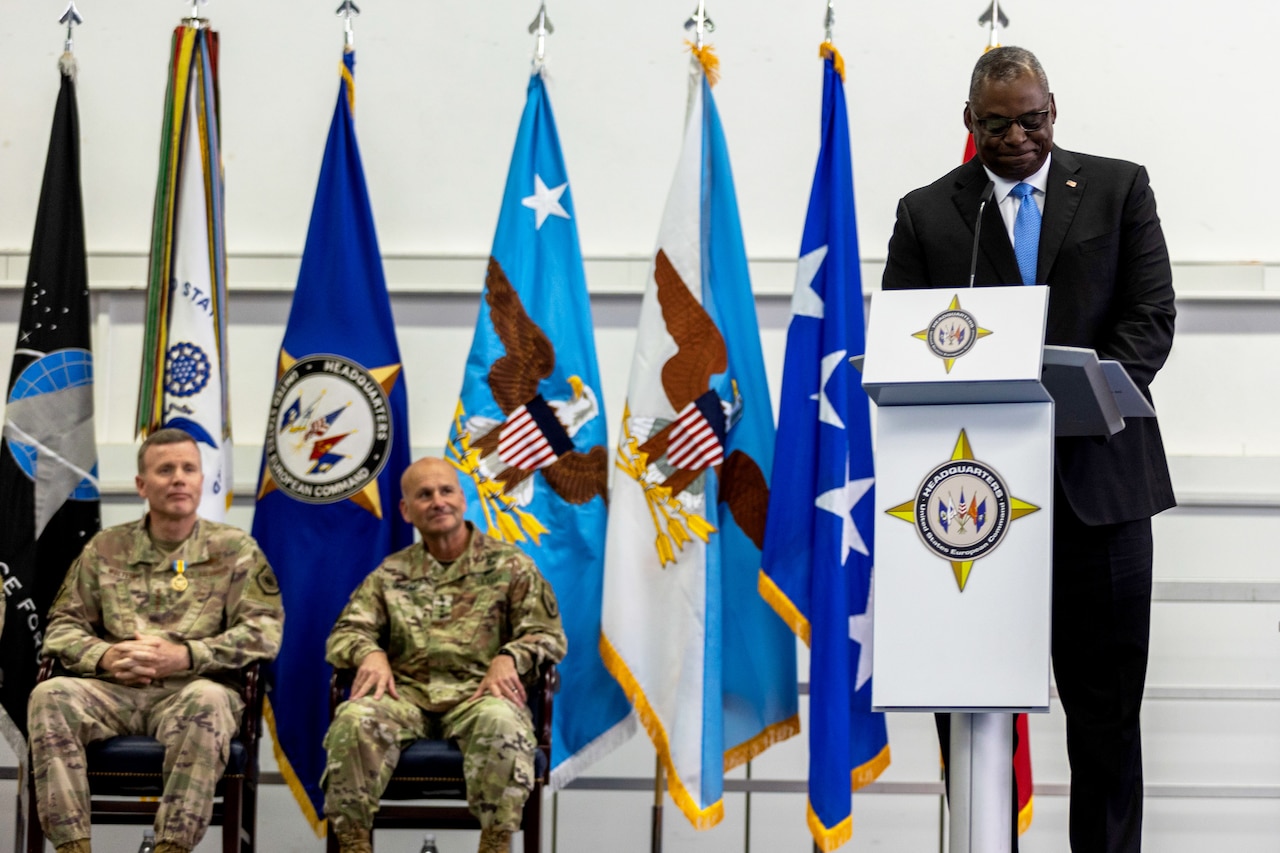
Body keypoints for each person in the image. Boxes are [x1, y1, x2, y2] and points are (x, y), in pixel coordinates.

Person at [882, 46, 1175, 853]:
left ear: (1055, 109)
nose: (1017, 137)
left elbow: (1150, 318)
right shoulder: (930, 212)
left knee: (1107, 724)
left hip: (1100, 497)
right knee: (972, 717)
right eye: (997, 123)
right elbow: (902, 344)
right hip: (971, 511)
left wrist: (1089, 391)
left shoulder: (1119, 187)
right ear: (969, 124)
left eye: (1032, 119)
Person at [27, 428, 285, 853]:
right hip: (114, 692)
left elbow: (264, 632)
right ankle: (73, 846)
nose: (179, 479)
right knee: (50, 694)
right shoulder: (105, 548)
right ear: (142, 485)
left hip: (191, 691)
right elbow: (61, 627)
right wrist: (105, 655)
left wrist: (185, 655)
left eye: (189, 469)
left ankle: (172, 847)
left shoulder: (235, 549)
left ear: (203, 480)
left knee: (209, 701)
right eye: (165, 470)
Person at [323, 457, 567, 853]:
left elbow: (547, 634)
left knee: (502, 722)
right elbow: (345, 633)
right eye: (424, 495)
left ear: (462, 499)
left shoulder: (510, 566)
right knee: (353, 719)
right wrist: (369, 652)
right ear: (406, 510)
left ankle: (495, 843)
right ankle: (354, 844)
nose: (438, 501)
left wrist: (510, 656)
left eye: (446, 491)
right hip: (407, 700)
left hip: (479, 698)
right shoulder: (390, 573)